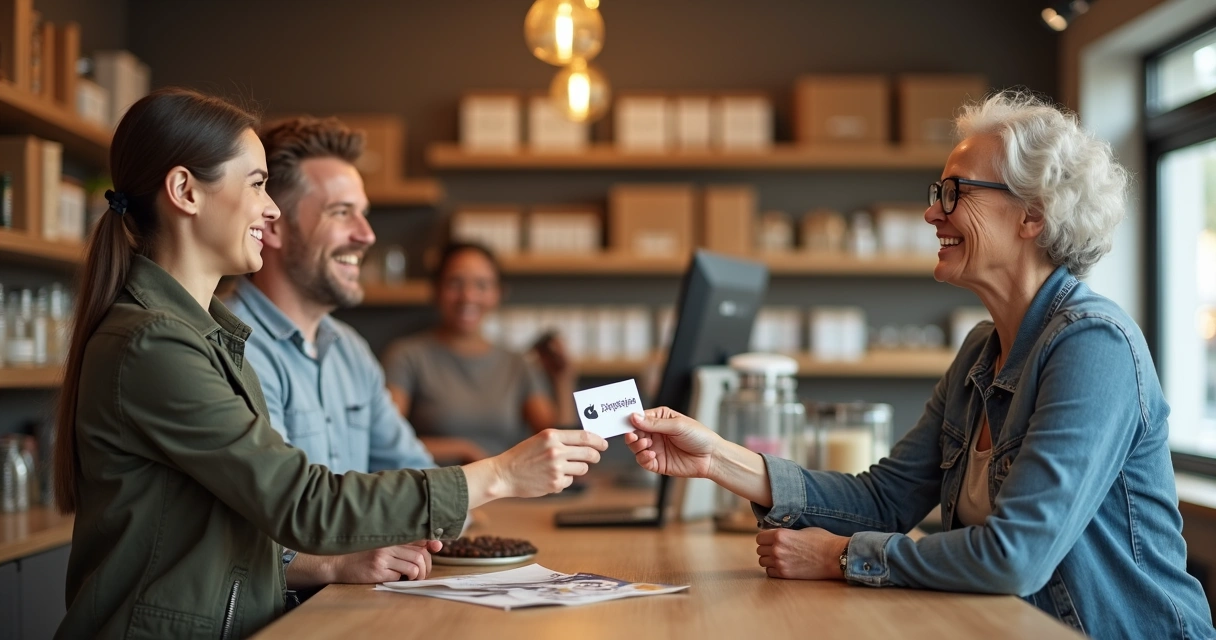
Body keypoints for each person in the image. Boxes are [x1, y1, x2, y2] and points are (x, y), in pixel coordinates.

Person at [622, 91, 1215, 639]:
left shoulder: (1095, 347)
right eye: (938, 193)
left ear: (1032, 215)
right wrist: (717, 458)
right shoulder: (982, 353)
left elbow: (1016, 556)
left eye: (954, 193)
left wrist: (837, 558)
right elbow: (885, 500)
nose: (933, 214)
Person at [52, 88, 607, 639]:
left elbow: (223, 534)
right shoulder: (153, 345)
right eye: (256, 185)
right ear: (185, 192)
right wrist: (501, 473)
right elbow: (301, 502)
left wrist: (339, 563)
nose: (268, 210)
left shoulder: (210, 336)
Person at [224, 116, 442, 589]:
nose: (366, 234)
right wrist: (335, 563)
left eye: (363, 212)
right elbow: (252, 534)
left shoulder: (350, 350)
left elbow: (418, 476)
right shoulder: (230, 343)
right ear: (274, 226)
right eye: (341, 212)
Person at [381, 242, 578, 462]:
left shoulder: (517, 364)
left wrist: (563, 379)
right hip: (434, 490)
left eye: (482, 285)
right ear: (436, 290)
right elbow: (386, 439)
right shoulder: (407, 356)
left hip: (506, 494)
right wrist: (462, 450)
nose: (468, 297)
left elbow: (556, 444)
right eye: (455, 283)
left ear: (498, 294)